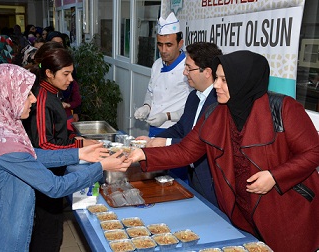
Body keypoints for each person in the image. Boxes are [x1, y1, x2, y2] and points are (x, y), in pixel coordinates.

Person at [129, 50, 319, 252]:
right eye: (217, 78)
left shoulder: (284, 109)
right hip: (242, 215)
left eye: (224, 80)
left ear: (244, 81)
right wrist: (143, 154)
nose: (216, 85)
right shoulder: (215, 113)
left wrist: (275, 177)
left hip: (286, 213)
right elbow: (186, 151)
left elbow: (313, 152)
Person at [0, 63, 131, 252]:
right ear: (7, 96)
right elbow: (55, 186)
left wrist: (78, 153)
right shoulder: (3, 144)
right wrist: (101, 167)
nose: (33, 99)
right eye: (27, 94)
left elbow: (29, 155)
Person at [24, 45, 96, 252]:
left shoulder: (53, 93)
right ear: (48, 73)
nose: (71, 79)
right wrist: (79, 145)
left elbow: (58, 133)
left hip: (55, 173)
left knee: (53, 230)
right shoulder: (42, 99)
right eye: (66, 74)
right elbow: (44, 144)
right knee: (47, 234)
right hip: (45, 176)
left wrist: (77, 138)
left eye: (71, 73)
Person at [136, 42, 222, 206]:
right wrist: (152, 140)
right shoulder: (193, 97)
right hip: (194, 178)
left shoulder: (218, 103)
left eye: (189, 68)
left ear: (207, 72)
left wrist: (164, 142)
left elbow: (202, 144)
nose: (184, 73)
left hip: (211, 183)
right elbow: (180, 128)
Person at [134, 12, 191, 137]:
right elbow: (150, 92)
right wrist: (147, 107)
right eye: (160, 44)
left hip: (176, 130)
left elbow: (193, 108)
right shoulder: (157, 64)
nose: (163, 50)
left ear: (180, 44)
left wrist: (167, 116)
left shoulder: (189, 68)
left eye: (169, 45)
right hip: (154, 128)